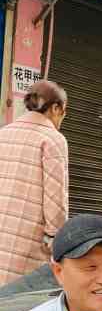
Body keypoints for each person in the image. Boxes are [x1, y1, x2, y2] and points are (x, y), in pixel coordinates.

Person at [0, 79, 69, 286]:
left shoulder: (3, 133)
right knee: (18, 306)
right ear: (56, 108)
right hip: (26, 248)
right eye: (64, 111)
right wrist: (55, 238)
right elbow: (55, 200)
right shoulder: (53, 139)